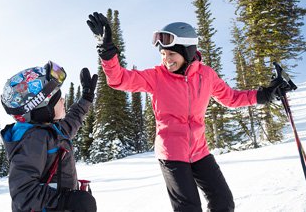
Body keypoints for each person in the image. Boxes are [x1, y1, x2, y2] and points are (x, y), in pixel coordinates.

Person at [86, 12, 285, 212]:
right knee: (189, 208)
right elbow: (118, 79)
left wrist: (264, 95)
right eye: (163, 54)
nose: (166, 60)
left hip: (199, 151)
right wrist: (107, 51)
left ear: (187, 51)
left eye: (171, 54)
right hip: (172, 154)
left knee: (223, 202)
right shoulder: (156, 77)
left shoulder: (206, 75)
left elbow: (230, 98)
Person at [0, 61, 98, 212]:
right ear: (42, 107)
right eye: (58, 99)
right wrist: (66, 200)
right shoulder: (34, 139)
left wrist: (86, 98)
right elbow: (23, 193)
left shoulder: (48, 131)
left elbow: (71, 123)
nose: (63, 100)